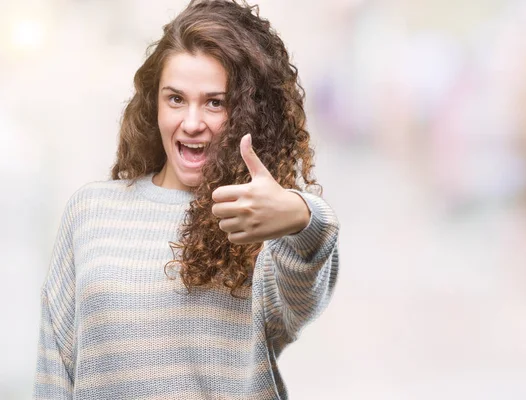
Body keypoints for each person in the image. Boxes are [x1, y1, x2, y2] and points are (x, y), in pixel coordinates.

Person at [33, 1, 340, 399]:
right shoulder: (90, 211)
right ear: (153, 104)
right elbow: (54, 367)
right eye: (175, 99)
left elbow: (304, 302)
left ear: (247, 113)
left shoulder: (256, 219)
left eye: (215, 102)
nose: (192, 123)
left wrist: (302, 217)